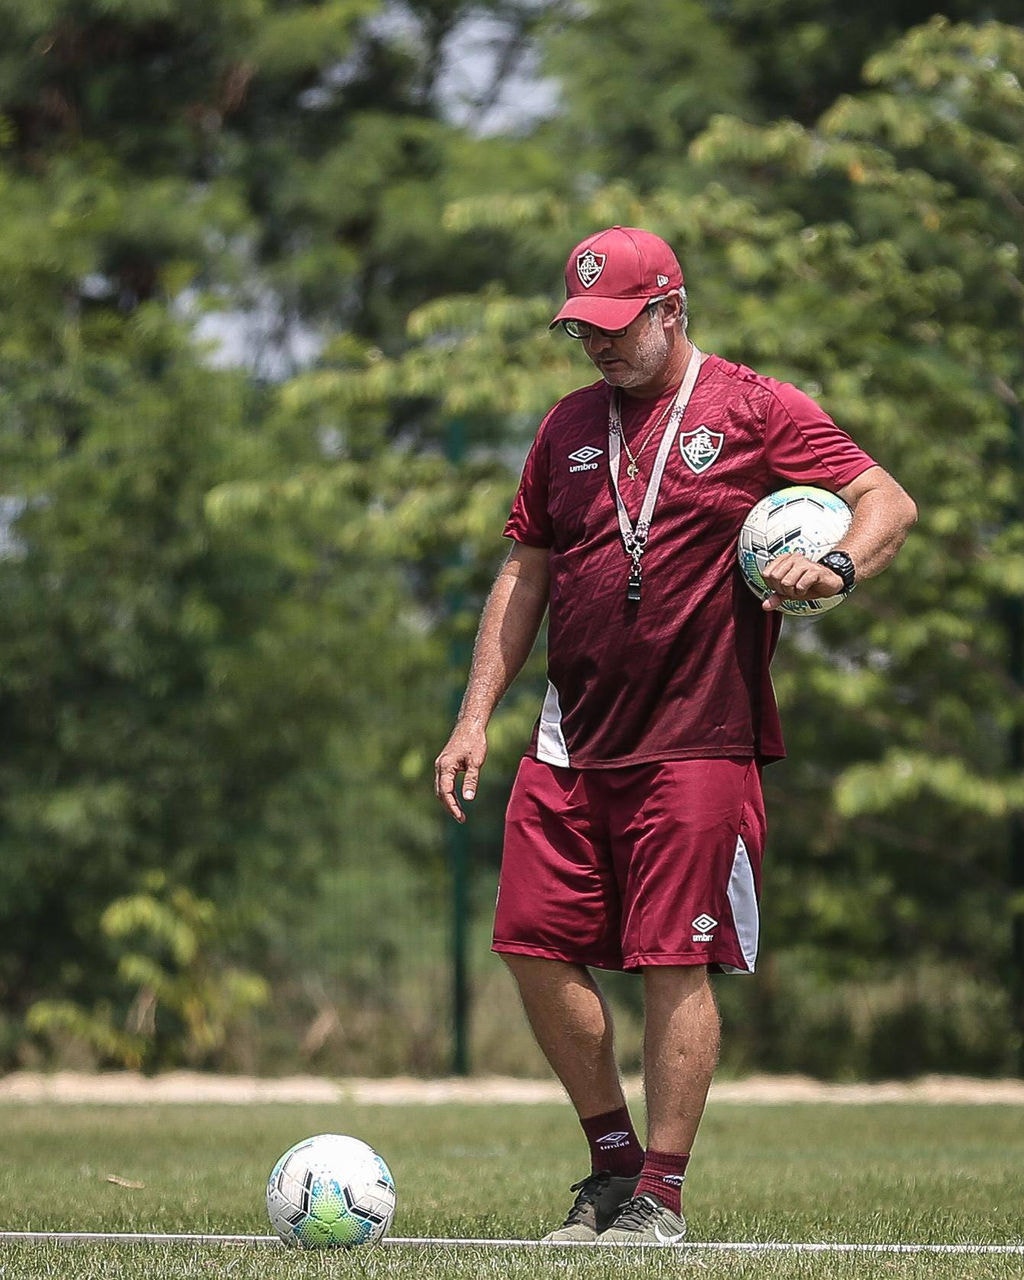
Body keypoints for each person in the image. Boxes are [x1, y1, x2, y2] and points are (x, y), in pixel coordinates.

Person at [433, 225, 917, 1246]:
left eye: (617, 327)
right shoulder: (565, 426)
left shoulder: (752, 406)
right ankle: (610, 1165)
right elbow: (523, 574)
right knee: (527, 942)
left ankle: (661, 1192)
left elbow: (886, 497)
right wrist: (475, 713)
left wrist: (839, 564)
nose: (599, 347)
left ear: (672, 311)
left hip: (701, 737)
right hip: (571, 739)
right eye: (583, 329)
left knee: (671, 961)